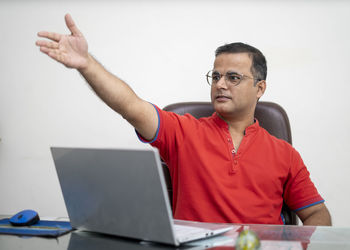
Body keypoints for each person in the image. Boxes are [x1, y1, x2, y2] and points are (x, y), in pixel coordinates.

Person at [36, 14, 332, 226]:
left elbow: (317, 214)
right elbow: (130, 105)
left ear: (260, 88)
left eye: (233, 77)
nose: (220, 84)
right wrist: (86, 64)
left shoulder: (285, 154)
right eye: (215, 76)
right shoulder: (184, 131)